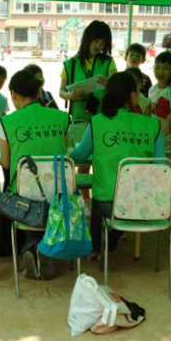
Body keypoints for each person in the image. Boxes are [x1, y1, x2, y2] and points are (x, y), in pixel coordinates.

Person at [70, 72, 164, 259]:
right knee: (121, 202)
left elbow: (79, 156)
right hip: (147, 205)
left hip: (109, 206)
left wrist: (66, 152)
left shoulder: (98, 123)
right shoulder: (153, 125)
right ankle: (110, 241)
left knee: (100, 197)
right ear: (132, 95)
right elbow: (162, 166)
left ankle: (96, 248)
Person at [0, 69, 69, 280]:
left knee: (27, 195)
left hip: (25, 194)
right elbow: (65, 155)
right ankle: (42, 248)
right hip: (58, 192)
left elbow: (5, 163)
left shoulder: (7, 122)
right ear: (39, 91)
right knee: (46, 193)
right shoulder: (62, 118)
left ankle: (31, 246)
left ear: (13, 94)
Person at [59, 20, 117, 216]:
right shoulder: (70, 64)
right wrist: (70, 95)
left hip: (102, 119)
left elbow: (116, 86)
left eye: (103, 43)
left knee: (101, 162)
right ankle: (86, 201)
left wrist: (109, 83)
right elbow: (61, 91)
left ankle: (101, 200)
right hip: (78, 119)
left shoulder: (109, 62)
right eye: (96, 41)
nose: (99, 46)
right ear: (87, 39)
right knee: (81, 163)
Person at [149, 51, 171, 160]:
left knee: (165, 166)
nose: (160, 72)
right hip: (152, 134)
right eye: (157, 67)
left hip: (166, 137)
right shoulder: (152, 89)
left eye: (165, 68)